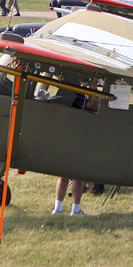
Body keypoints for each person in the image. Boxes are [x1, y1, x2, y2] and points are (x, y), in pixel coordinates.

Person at [52, 79, 100, 216]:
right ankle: (75, 209)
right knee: (78, 176)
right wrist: (94, 87)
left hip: (66, 138)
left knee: (64, 175)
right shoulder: (77, 94)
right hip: (77, 138)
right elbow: (93, 107)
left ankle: (58, 208)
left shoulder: (65, 92)